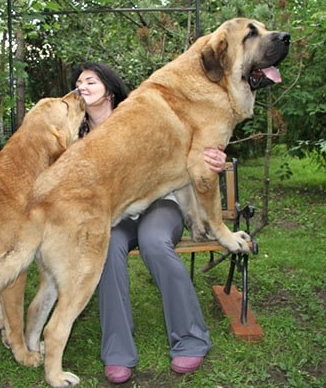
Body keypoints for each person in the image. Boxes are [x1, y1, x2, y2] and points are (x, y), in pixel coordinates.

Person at [71, 63, 227, 384]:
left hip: (160, 205)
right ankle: (117, 350)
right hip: (115, 215)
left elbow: (185, 147)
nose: (81, 87)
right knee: (109, 245)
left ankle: (191, 338)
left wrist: (212, 159)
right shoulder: (75, 134)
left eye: (90, 81)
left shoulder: (140, 117)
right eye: (77, 83)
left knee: (155, 241)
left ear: (110, 90)